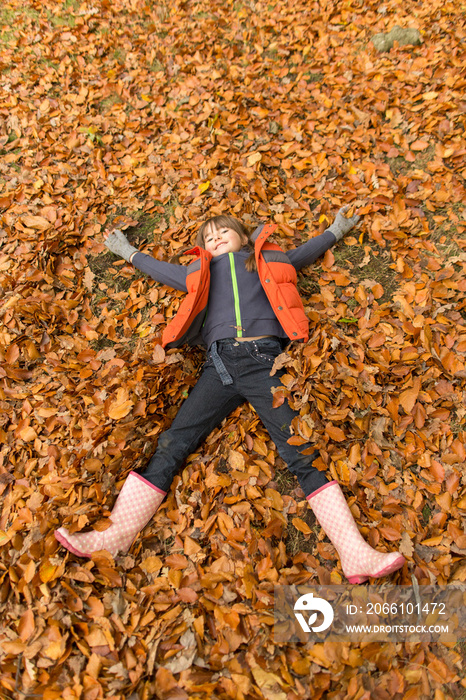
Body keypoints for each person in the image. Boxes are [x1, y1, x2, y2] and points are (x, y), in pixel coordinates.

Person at [55, 209, 405, 583]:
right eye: (209, 237)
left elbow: (307, 251)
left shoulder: (268, 260)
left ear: (244, 237)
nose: (217, 238)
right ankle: (117, 535)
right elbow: (159, 269)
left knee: (300, 451)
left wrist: (336, 229)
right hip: (218, 367)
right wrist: (125, 250)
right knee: (175, 440)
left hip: (263, 364)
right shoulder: (199, 272)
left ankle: (355, 553)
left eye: (224, 232)